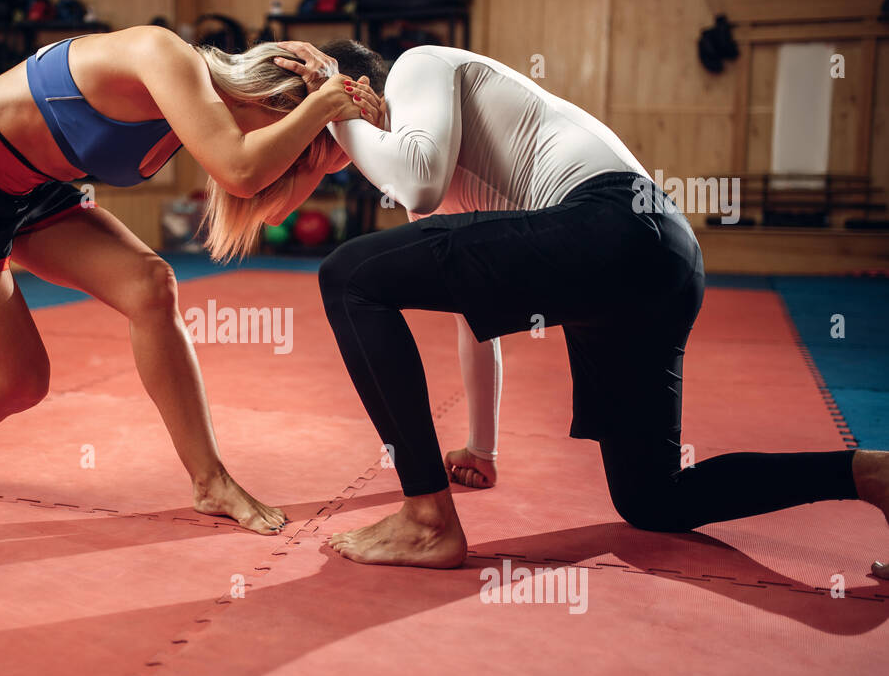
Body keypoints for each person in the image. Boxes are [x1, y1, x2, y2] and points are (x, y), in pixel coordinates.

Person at [271, 41, 889, 569]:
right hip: (660, 257)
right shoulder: (428, 159)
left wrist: (333, 107)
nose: (335, 155)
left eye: (327, 135)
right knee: (652, 499)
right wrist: (482, 448)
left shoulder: (416, 65)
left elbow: (418, 178)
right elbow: (473, 313)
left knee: (348, 274)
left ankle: (427, 519)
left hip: (615, 222)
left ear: (355, 91)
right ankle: (865, 473)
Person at [0, 27, 382, 534]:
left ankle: (210, 482)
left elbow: (273, 211)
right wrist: (321, 108)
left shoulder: (208, 114)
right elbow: (242, 172)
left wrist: (336, 146)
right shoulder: (162, 54)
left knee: (150, 285)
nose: (281, 155)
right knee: (19, 384)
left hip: (32, 190)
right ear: (267, 95)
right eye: (287, 134)